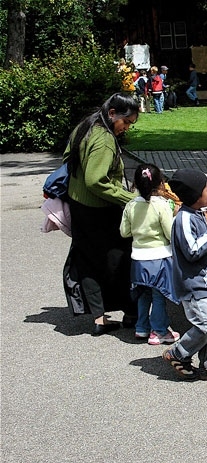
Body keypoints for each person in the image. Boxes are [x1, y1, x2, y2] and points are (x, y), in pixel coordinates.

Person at [62, 93, 139, 336]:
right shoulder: (104, 140)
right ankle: (131, 312)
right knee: (121, 259)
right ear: (112, 113)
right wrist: (129, 198)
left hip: (79, 205)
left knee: (87, 261)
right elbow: (95, 181)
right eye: (126, 122)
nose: (126, 128)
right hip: (100, 210)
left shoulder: (85, 125)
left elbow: (67, 157)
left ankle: (99, 318)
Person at [163, 168, 207, 382]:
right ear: (196, 196)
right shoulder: (184, 219)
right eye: (206, 189)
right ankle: (178, 352)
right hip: (193, 283)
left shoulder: (197, 214)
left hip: (204, 281)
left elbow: (201, 247)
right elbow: (192, 250)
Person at [120, 164, 181, 345]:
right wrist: (174, 215)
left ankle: (142, 327)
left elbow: (124, 232)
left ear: (135, 184)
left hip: (138, 258)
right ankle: (159, 331)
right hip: (159, 257)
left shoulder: (131, 205)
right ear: (160, 183)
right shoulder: (161, 205)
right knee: (159, 295)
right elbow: (169, 233)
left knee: (143, 293)